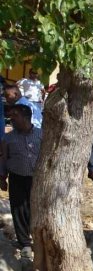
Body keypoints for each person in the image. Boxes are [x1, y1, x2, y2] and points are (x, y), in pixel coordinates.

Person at [0, 105, 42, 260]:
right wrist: (2, 177)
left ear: (26, 117)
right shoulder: (8, 138)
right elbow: (3, 158)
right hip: (17, 178)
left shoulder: (41, 134)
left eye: (15, 116)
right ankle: (24, 243)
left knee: (35, 209)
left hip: (37, 179)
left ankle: (38, 240)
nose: (11, 119)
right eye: (10, 116)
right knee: (19, 210)